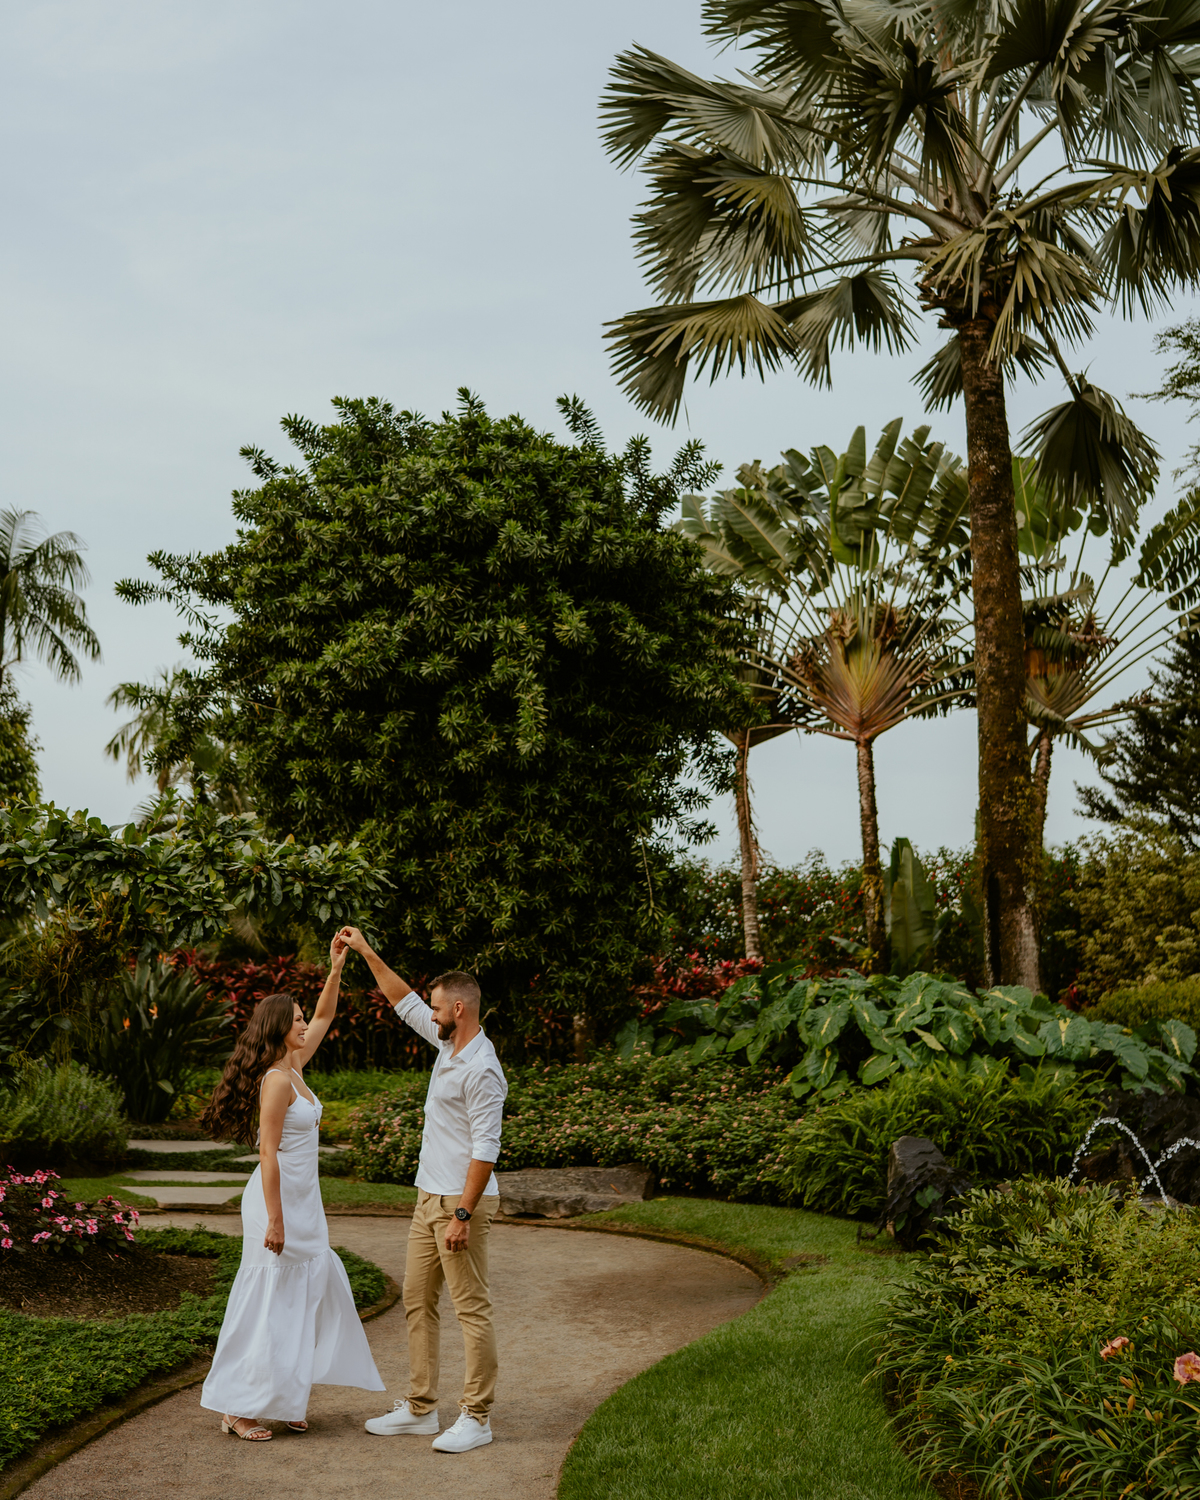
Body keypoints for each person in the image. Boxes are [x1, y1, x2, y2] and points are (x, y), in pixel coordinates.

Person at [198, 933, 384, 1440]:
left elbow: (326, 1016)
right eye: (297, 1019)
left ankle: (283, 1397)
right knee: (267, 1303)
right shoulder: (277, 1080)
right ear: (282, 1027)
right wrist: (276, 1219)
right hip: (274, 1202)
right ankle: (237, 1408)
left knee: (304, 1299)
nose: (306, 1024)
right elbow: (268, 1154)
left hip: (305, 1200)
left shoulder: (294, 1065)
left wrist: (336, 969)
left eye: (303, 1018)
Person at [338, 926, 506, 1455]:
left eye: (437, 1009)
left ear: (459, 1007)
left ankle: (476, 1418)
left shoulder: (481, 1068)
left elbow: (487, 1149)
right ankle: (419, 1409)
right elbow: (401, 997)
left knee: (470, 1308)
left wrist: (461, 1213)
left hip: (461, 1202)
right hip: (426, 1198)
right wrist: (365, 950)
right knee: (417, 1302)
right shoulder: (447, 1042)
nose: (429, 1015)